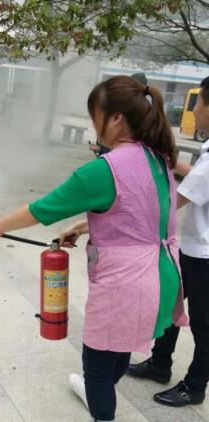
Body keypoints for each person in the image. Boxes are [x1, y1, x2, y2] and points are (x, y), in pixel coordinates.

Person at [0, 75, 188, 422]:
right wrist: (80, 226)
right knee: (118, 349)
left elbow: (42, 209)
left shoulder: (103, 170)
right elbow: (138, 216)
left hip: (127, 284)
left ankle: (101, 410)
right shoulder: (157, 158)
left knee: (97, 369)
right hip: (161, 275)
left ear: (116, 117)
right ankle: (99, 397)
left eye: (96, 116)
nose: (94, 125)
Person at [127, 75, 209, 407]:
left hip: (204, 255)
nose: (196, 110)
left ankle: (195, 386)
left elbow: (173, 202)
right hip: (190, 247)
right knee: (170, 305)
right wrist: (166, 158)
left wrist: (118, 215)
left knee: (204, 325)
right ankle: (160, 364)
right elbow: (196, 176)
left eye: (198, 102)